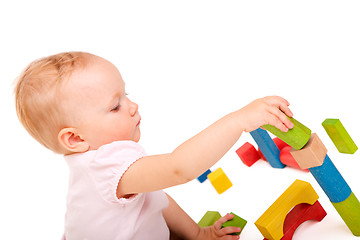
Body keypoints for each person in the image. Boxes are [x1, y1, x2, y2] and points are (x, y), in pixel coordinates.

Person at [14, 52, 294, 240]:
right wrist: (238, 121)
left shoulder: (107, 161)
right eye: (115, 106)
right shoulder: (106, 165)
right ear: (75, 139)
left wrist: (198, 234)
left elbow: (154, 199)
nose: (132, 106)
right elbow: (178, 168)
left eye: (126, 94)